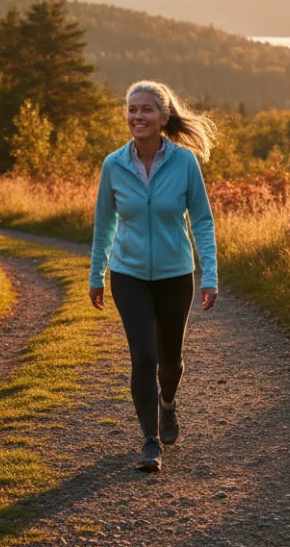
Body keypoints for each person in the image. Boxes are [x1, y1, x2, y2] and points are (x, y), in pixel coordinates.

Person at [89, 80, 219, 472]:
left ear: (163, 117)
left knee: (170, 360)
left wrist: (209, 274)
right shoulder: (114, 164)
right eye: (132, 109)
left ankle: (168, 403)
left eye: (146, 109)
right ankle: (150, 440)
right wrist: (97, 274)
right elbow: (104, 223)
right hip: (128, 273)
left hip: (175, 273)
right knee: (143, 356)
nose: (137, 116)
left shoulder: (184, 163)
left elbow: (202, 220)